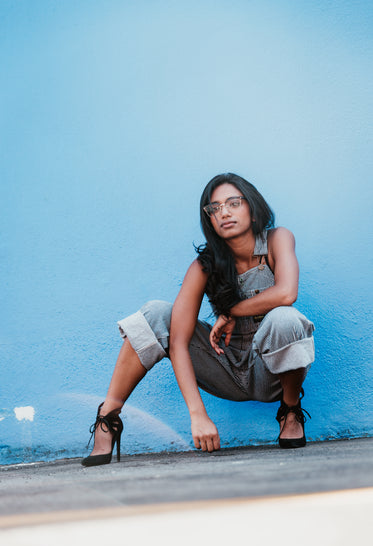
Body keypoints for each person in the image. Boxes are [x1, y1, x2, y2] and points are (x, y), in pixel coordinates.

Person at [81, 173, 315, 467]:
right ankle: (108, 417)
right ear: (209, 220)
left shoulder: (277, 239)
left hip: (269, 373)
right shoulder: (203, 266)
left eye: (233, 203)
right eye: (214, 208)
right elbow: (177, 342)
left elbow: (286, 293)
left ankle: (290, 410)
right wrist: (198, 415)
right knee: (156, 313)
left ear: (253, 209)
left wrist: (231, 311)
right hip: (223, 366)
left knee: (285, 318)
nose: (224, 212)